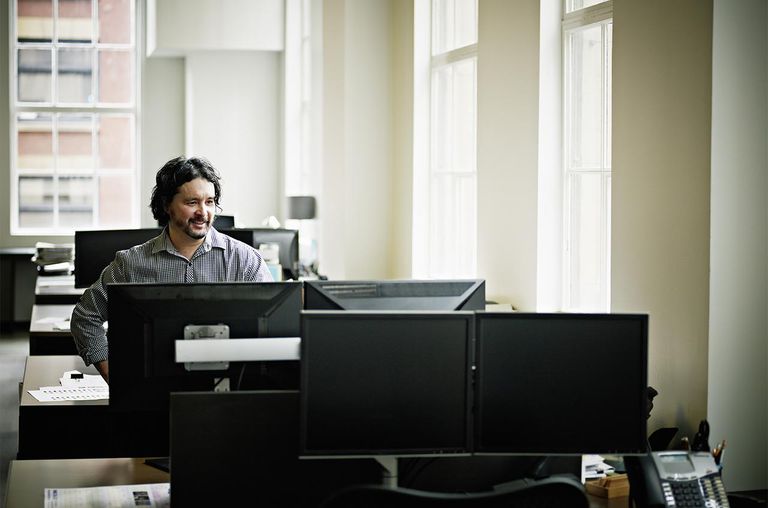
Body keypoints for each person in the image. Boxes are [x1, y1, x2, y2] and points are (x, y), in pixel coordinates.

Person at [71, 156, 272, 381]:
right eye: (192, 202)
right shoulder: (131, 263)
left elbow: (272, 324)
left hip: (227, 388)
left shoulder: (245, 261)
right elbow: (86, 317)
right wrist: (110, 369)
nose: (203, 212)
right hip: (152, 386)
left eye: (209, 202)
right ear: (167, 205)